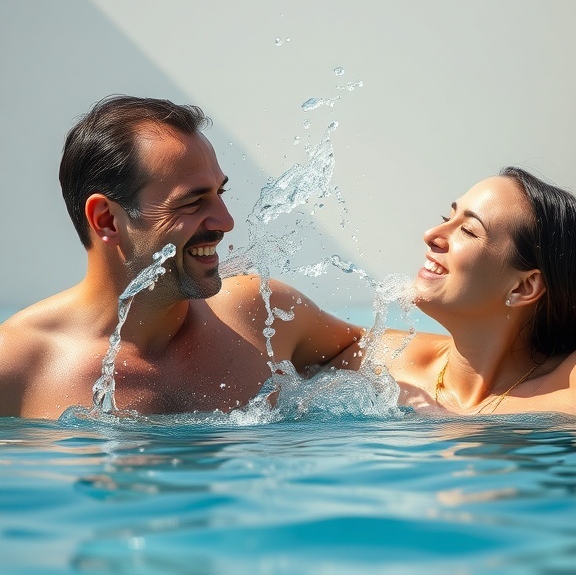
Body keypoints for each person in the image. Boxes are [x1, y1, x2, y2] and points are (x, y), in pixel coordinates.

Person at [0, 95, 361, 419]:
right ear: (107, 219)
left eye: (220, 193)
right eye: (192, 201)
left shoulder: (256, 314)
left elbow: (376, 353)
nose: (226, 222)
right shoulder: (16, 366)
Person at [342, 167, 576, 416]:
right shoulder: (387, 361)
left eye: (468, 230)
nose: (430, 235)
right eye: (447, 218)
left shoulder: (563, 392)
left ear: (523, 287)